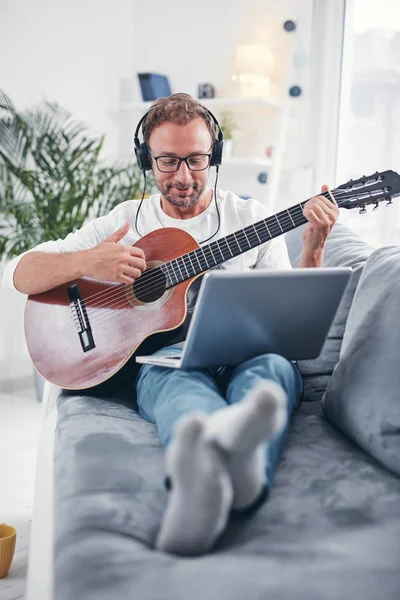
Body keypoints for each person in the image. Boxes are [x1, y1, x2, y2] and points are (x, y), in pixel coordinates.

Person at [2, 93, 339, 556]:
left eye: (197, 160)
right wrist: (88, 260)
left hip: (250, 354)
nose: (183, 176)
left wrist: (314, 249)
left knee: (272, 375)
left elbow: (292, 317)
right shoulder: (126, 220)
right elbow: (18, 272)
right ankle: (202, 465)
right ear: (148, 159)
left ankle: (235, 474)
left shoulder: (252, 218)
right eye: (167, 161)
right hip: (167, 359)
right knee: (177, 386)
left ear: (215, 156)